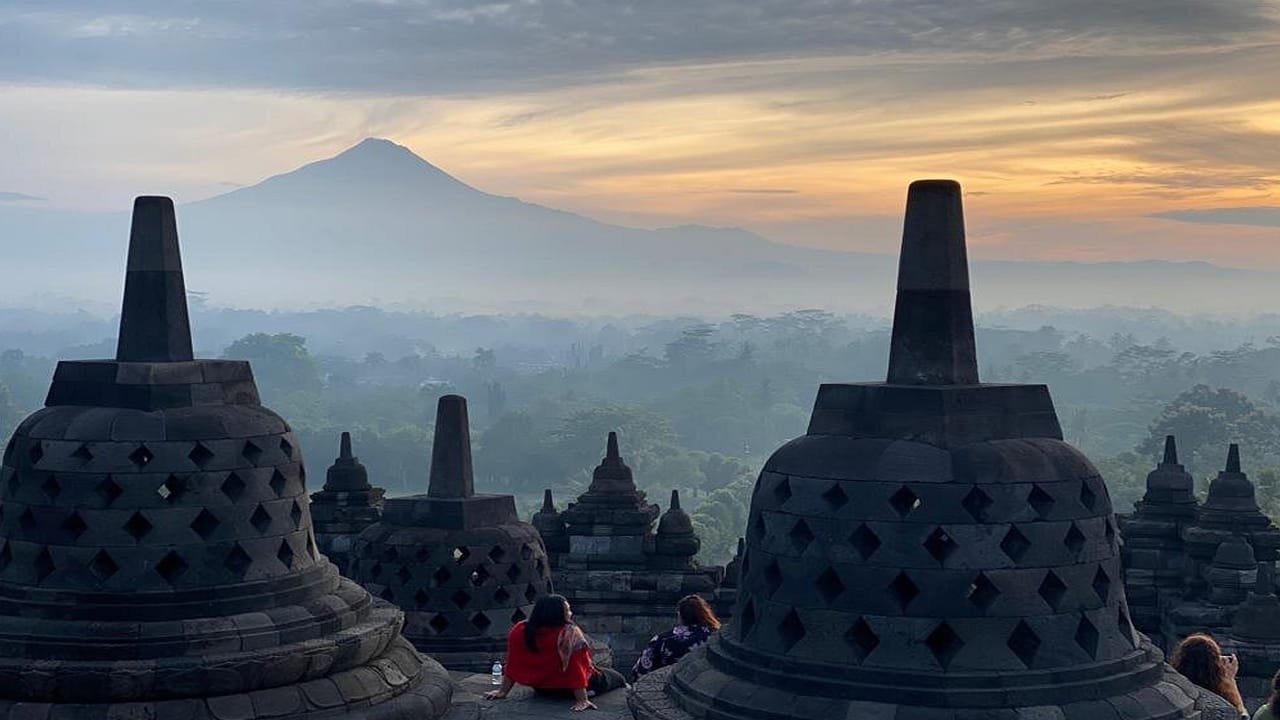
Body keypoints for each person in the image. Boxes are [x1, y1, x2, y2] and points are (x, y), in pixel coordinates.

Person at [484, 594, 627, 711]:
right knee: (617, 677)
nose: (571, 613)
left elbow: (514, 663)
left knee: (602, 671)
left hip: (541, 688)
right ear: (559, 614)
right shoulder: (569, 635)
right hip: (567, 690)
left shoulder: (519, 630)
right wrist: (582, 700)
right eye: (568, 610)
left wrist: (503, 692)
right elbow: (576, 669)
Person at [632, 594, 720, 678]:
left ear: (680, 615)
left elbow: (640, 670)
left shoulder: (663, 640)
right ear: (706, 614)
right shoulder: (717, 636)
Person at [1170, 633, 1248, 718]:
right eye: (1217, 657)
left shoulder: (1173, 691)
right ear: (1214, 667)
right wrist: (1230, 680)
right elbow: (1241, 716)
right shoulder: (1221, 708)